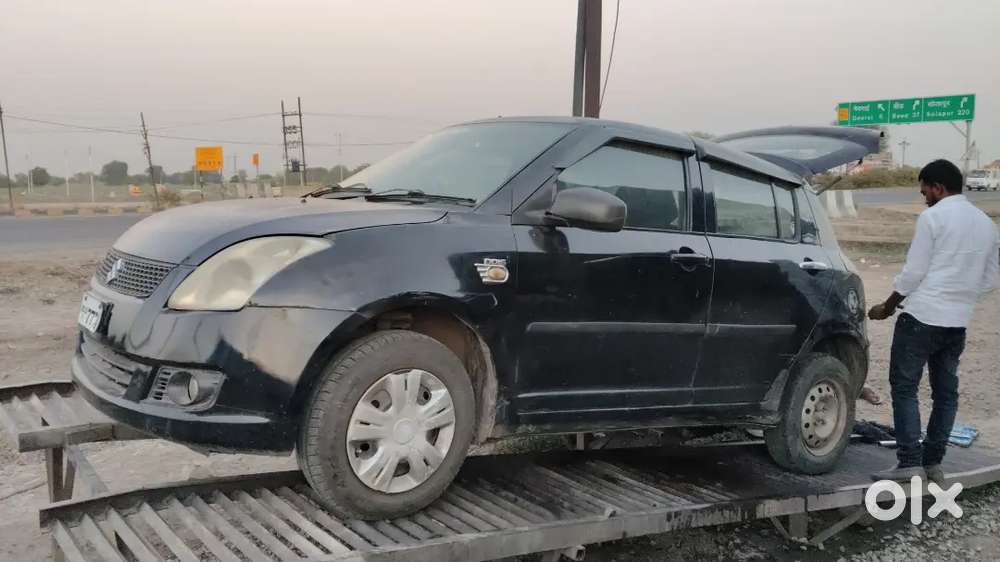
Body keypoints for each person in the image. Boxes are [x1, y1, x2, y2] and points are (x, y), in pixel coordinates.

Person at [868, 159, 1000, 483]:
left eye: (924, 189)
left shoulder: (933, 218)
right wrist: (960, 295)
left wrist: (887, 307)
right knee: (945, 394)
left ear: (938, 187)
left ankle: (909, 463)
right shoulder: (986, 223)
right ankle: (933, 464)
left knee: (905, 389)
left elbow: (913, 273)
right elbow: (992, 277)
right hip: (956, 323)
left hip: (921, 318)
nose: (923, 195)